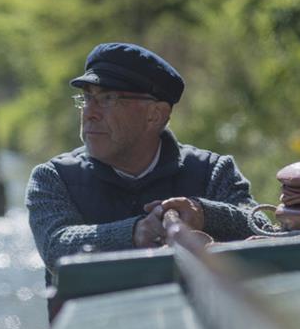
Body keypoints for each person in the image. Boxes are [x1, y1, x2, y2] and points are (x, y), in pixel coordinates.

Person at [26, 42, 266, 282]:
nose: (90, 112)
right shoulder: (53, 177)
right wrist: (136, 233)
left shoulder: (214, 170)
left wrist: (204, 214)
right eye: (87, 98)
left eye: (108, 98)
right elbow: (56, 248)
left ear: (155, 115)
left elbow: (262, 227)